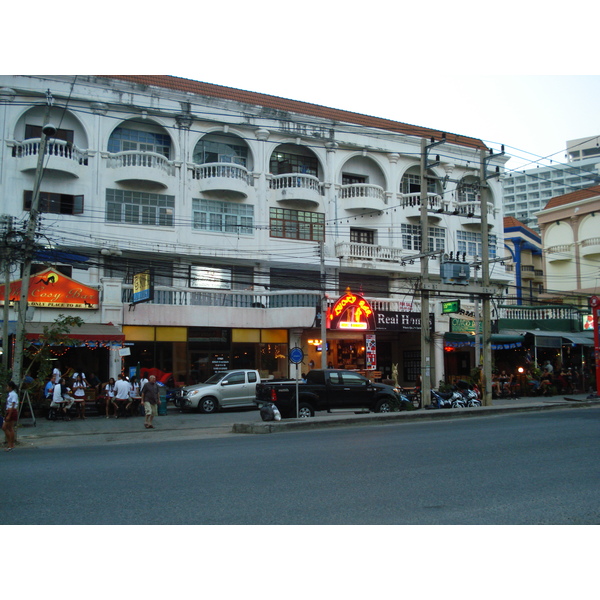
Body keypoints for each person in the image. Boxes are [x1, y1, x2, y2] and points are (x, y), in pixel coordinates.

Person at [3, 381, 19, 451]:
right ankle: (10, 444)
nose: (7, 388)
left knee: (6, 427)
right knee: (8, 428)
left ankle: (10, 444)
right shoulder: (10, 394)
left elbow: (13, 405)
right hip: (9, 410)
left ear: (10, 387)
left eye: (7, 386)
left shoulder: (13, 394)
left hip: (11, 411)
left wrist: (9, 415)